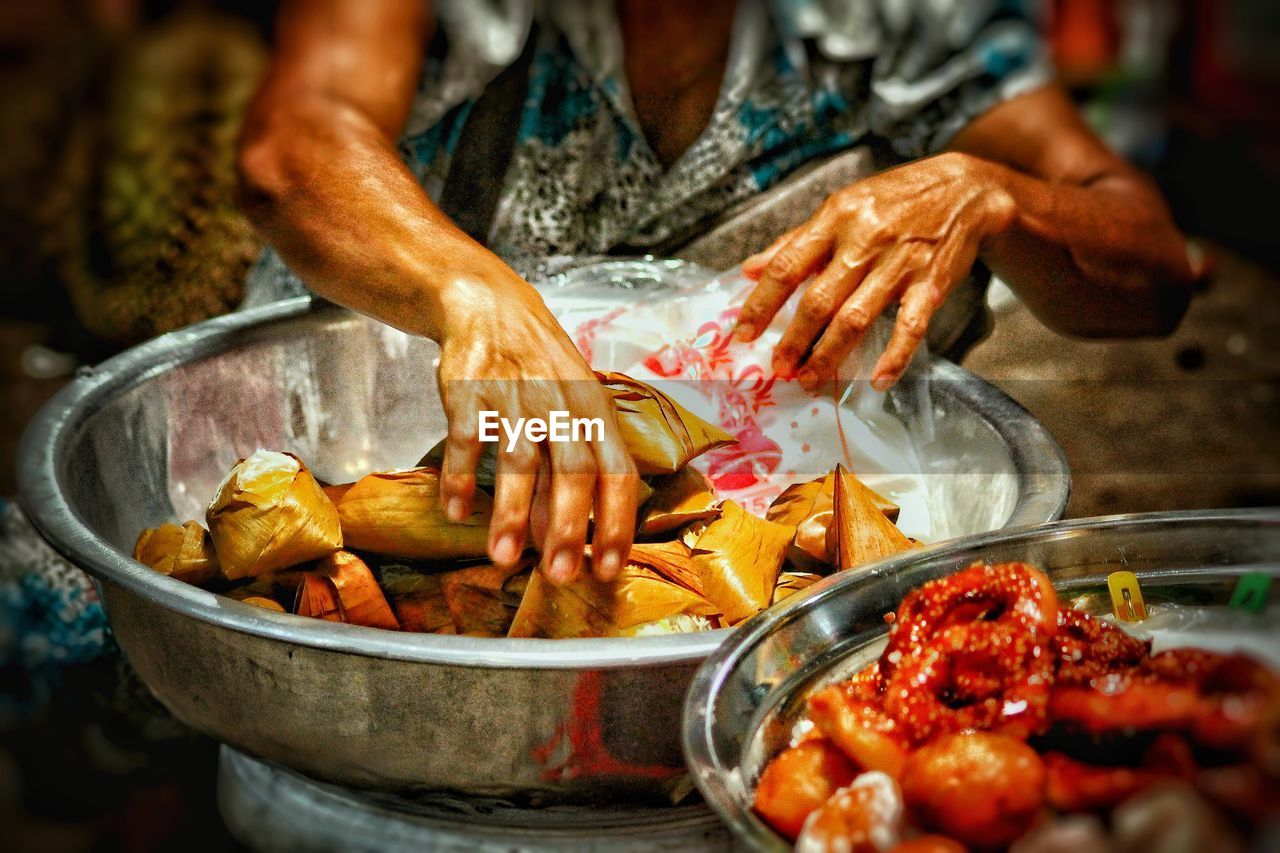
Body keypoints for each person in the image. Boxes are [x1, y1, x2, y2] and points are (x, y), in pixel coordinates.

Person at [235, 0, 1198, 586]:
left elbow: (1152, 273)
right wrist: (470, 289)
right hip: (427, 482)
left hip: (794, 542)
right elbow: (293, 147)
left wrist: (996, 196)